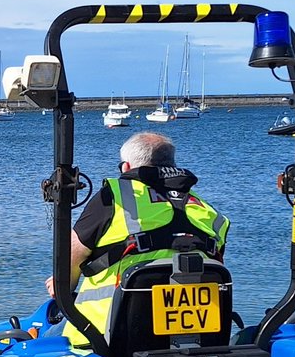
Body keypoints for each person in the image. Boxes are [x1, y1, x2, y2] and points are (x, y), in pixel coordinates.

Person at [46, 131, 229, 345]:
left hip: (106, 336)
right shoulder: (210, 212)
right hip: (199, 339)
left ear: (125, 167)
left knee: (33, 342)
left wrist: (60, 286)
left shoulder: (116, 197)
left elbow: (69, 260)